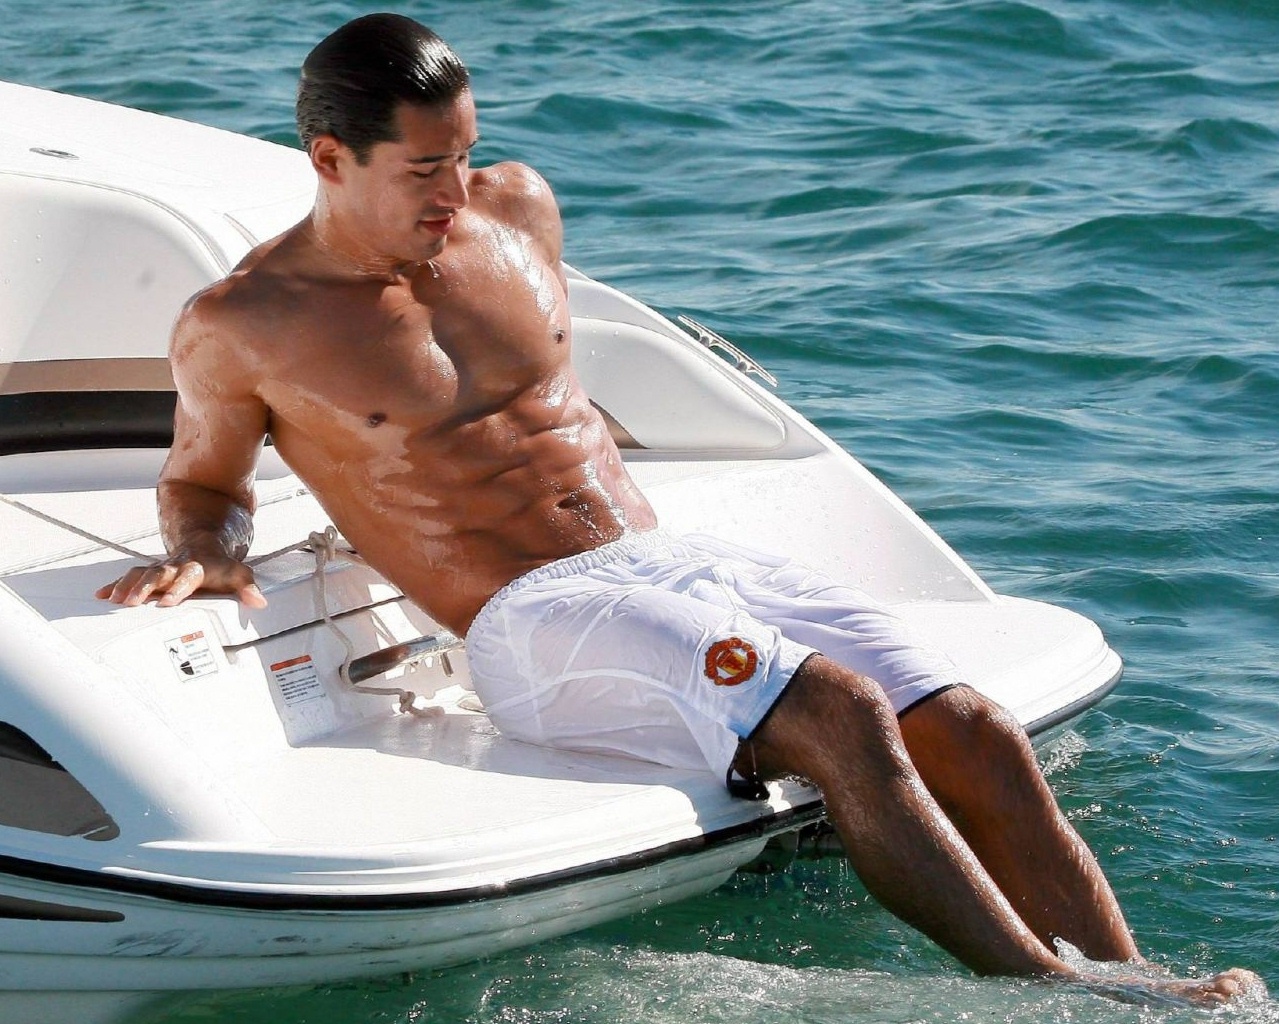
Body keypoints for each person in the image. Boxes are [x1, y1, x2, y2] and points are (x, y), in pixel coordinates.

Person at [97, 13, 1260, 1004]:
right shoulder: (247, 320)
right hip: (531, 620)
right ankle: (1055, 998)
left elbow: (553, 404)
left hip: (665, 564)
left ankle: (1142, 988)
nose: (456, 191)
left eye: (466, 154)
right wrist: (204, 550)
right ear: (329, 157)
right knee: (842, 713)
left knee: (971, 725)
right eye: (423, 171)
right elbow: (203, 483)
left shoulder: (516, 210)